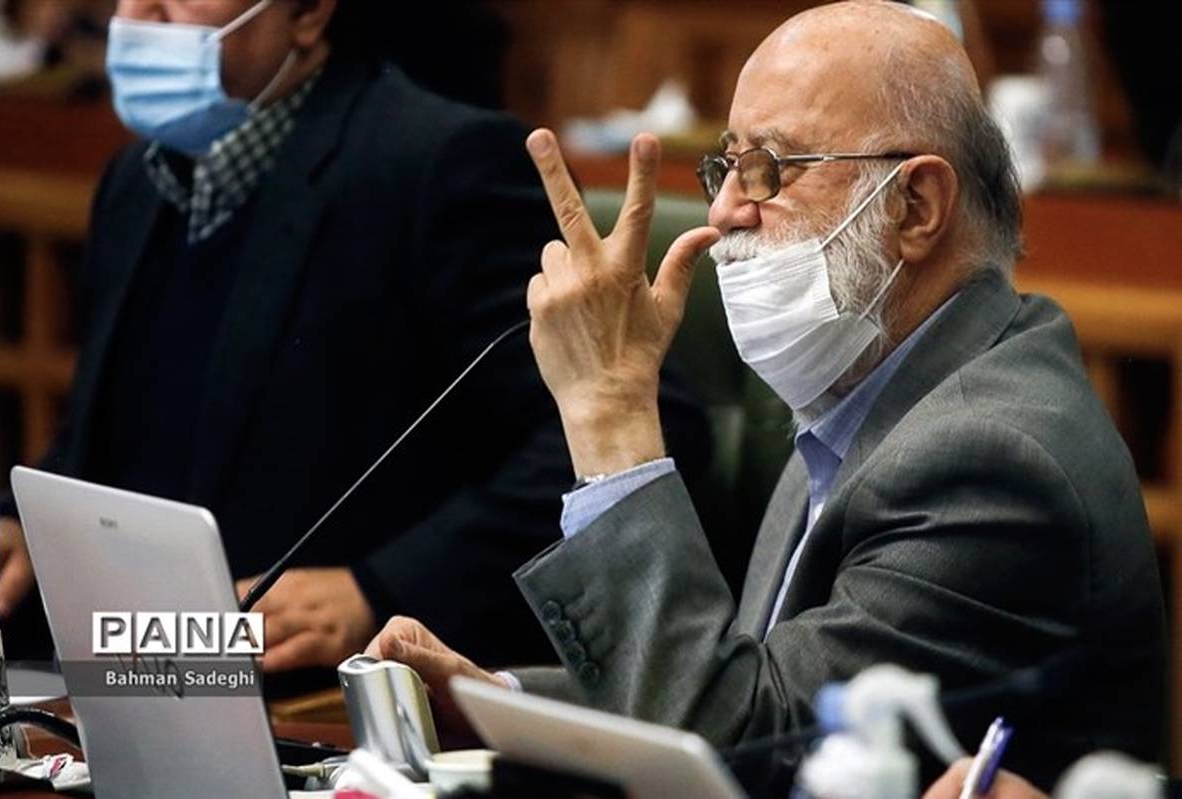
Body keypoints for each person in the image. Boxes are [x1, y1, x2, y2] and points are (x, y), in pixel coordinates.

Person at [366, 0, 1165, 790]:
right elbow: (758, 689)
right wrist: (498, 702)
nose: (723, 211)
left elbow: (743, 758)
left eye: (771, 169)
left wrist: (609, 413)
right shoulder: (871, 389)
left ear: (916, 206)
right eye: (726, 167)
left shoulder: (989, 460)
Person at [0, 0, 712, 683]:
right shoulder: (133, 180)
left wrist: (378, 588)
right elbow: (126, 428)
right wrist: (34, 525)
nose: (137, 15)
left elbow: (631, 424)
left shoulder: (442, 162)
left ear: (308, 12)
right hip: (144, 668)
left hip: (336, 690)